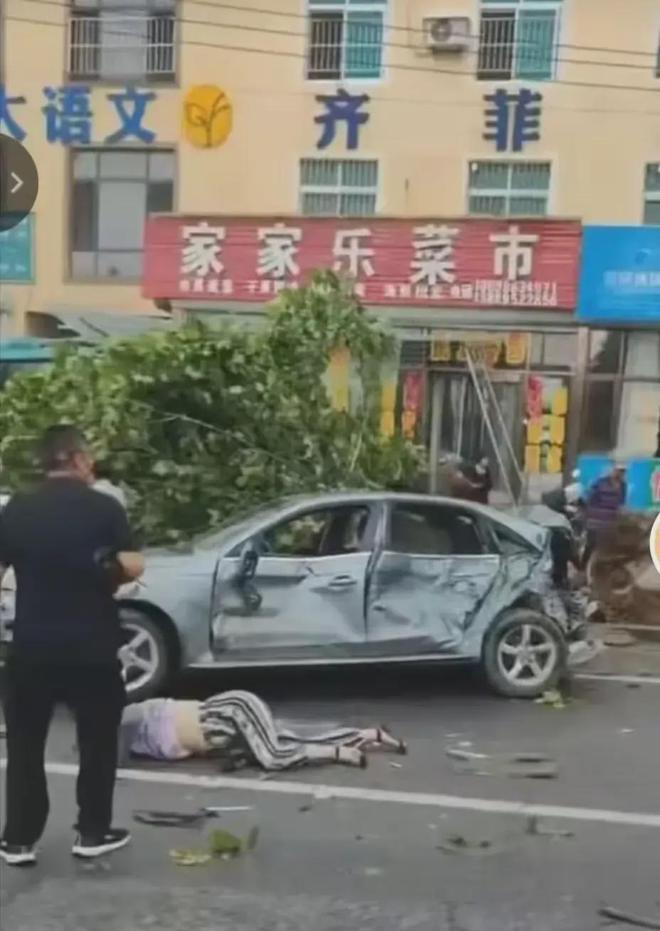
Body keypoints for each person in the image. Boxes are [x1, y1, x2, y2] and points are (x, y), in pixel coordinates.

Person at [0, 425, 144, 867]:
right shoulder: (104, 507)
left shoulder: (17, 509)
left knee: (25, 745)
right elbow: (133, 565)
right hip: (92, 647)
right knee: (97, 742)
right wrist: (107, 570)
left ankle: (19, 839)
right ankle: (92, 831)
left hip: (31, 647)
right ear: (77, 459)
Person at [118, 691, 407, 771]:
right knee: (289, 737)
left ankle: (338, 753)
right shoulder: (132, 738)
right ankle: (368, 736)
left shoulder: (128, 715)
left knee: (273, 757)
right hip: (230, 730)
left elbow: (115, 755)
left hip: (230, 712)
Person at [583, 460, 627, 567]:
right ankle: (583, 566)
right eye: (618, 470)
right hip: (595, 521)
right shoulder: (600, 483)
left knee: (607, 549)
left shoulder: (623, 486)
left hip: (610, 523)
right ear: (612, 470)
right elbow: (590, 499)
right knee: (591, 545)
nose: (620, 473)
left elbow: (621, 503)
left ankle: (600, 570)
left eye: (622, 471)